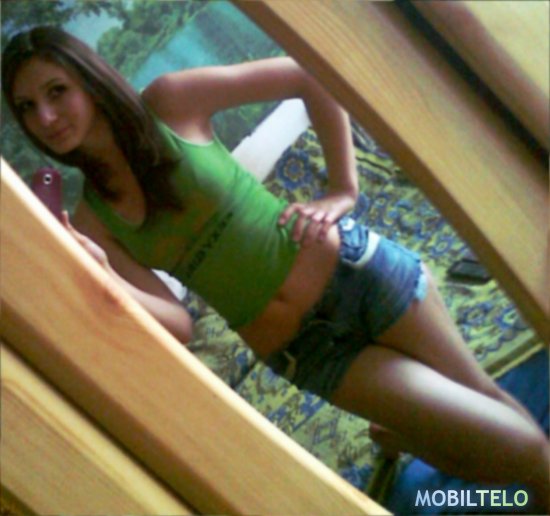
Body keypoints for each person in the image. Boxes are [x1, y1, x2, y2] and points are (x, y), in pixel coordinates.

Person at [2, 26, 548, 510]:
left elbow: (306, 75)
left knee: (494, 416)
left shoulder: (169, 102)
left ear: (89, 78)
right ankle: (429, 447)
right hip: (311, 353)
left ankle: (413, 441)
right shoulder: (92, 222)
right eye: (27, 107)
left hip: (361, 273)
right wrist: (101, 271)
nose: (45, 117)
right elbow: (180, 324)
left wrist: (343, 188)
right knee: (520, 447)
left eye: (57, 91)